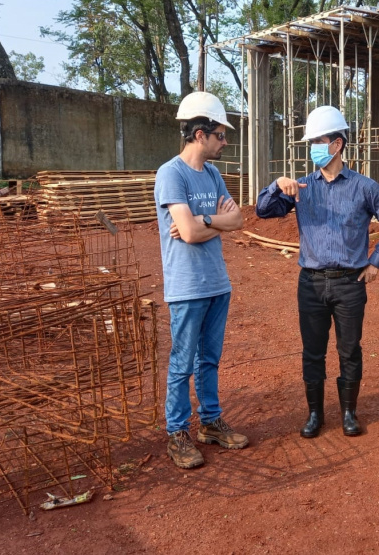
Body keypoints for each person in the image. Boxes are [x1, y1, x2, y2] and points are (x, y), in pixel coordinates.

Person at [256, 105, 379, 438]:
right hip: (310, 283)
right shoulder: (301, 188)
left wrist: (375, 262)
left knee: (349, 349)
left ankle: (349, 412)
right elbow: (263, 211)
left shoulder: (365, 188)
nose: (313, 149)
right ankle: (315, 415)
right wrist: (276, 186)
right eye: (311, 143)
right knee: (313, 351)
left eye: (318, 141)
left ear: (337, 144)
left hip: (350, 284)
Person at [155, 91, 248, 469]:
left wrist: (205, 220)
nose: (225, 142)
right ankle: (177, 432)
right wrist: (209, 224)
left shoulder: (211, 174)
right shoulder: (171, 174)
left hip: (216, 283)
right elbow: (186, 234)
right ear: (199, 134)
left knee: (209, 359)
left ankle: (210, 423)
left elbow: (237, 220)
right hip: (187, 287)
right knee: (182, 364)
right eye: (220, 135)